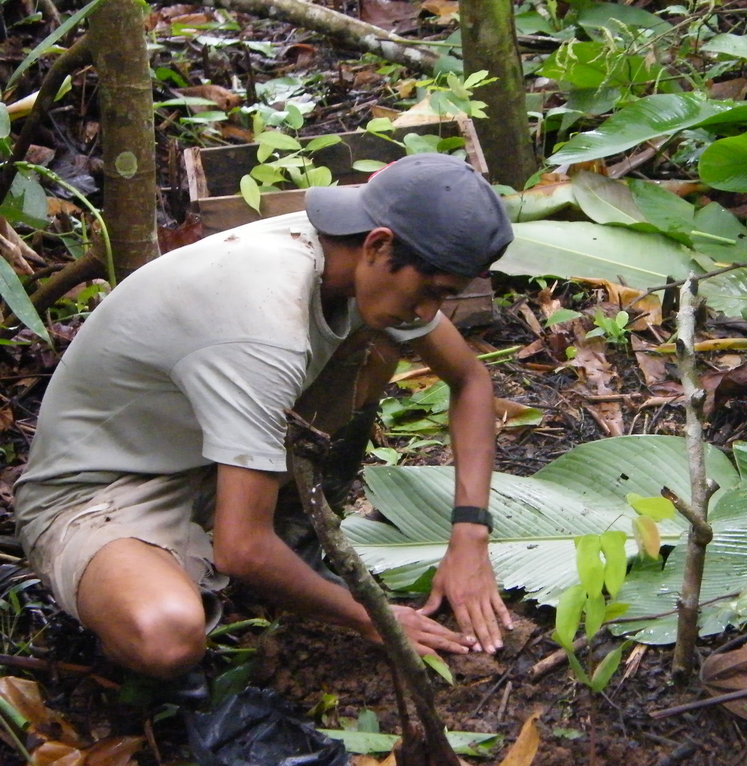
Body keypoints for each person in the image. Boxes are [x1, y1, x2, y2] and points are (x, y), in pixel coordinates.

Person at [13, 153, 515, 680]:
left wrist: (469, 536)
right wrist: (374, 619)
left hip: (203, 456)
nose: (428, 313)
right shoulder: (264, 318)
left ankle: (291, 533)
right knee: (165, 636)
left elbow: (470, 380)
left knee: (381, 340)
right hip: (98, 492)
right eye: (429, 292)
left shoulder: (348, 261)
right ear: (378, 243)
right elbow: (242, 547)